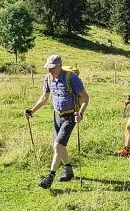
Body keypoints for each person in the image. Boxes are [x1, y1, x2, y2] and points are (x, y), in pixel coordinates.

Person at [25, 54, 90, 189]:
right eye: (48, 67)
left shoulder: (71, 78)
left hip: (71, 116)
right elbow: (44, 98)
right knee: (61, 147)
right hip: (57, 116)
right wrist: (32, 111)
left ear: (60, 65)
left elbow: (85, 97)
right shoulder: (48, 78)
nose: (50, 70)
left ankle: (50, 177)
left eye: (52, 67)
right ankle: (68, 170)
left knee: (57, 146)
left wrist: (81, 113)